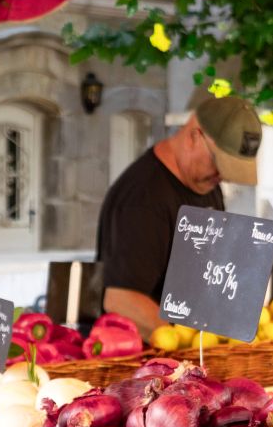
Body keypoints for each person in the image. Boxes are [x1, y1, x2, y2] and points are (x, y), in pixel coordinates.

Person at [95, 96, 262, 333]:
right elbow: (121, 300)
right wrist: (181, 349)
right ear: (195, 135)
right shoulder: (143, 198)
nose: (221, 175)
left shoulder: (206, 184)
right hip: (150, 361)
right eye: (218, 163)